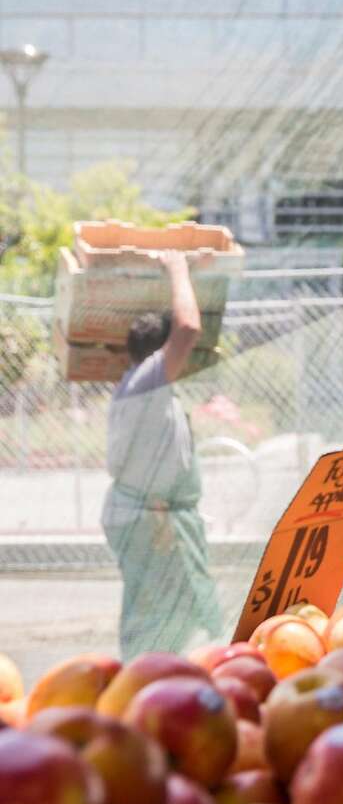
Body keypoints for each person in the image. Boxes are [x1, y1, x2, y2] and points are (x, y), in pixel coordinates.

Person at [102, 250, 223, 658]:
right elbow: (188, 327)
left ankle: (158, 682)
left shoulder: (143, 387)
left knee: (178, 612)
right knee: (159, 617)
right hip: (149, 520)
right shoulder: (148, 383)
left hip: (152, 517)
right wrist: (177, 266)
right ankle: (144, 686)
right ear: (160, 352)